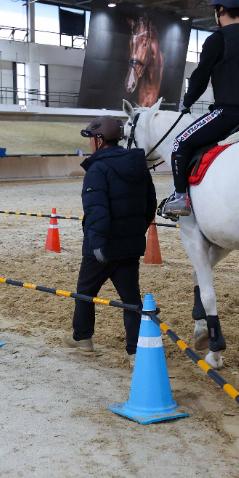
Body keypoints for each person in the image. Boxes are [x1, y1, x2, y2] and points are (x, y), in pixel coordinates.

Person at [161, 0, 239, 218]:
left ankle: (180, 198)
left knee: (180, 143)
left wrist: (187, 101)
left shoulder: (218, 38)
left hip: (232, 114)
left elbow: (201, 75)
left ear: (220, 10)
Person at [63, 116, 157, 365]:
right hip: (130, 245)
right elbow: (150, 205)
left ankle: (83, 338)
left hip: (102, 246)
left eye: (92, 138)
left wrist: (97, 244)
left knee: (85, 291)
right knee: (131, 300)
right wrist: (136, 231)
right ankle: (134, 351)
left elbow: (97, 211)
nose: (91, 143)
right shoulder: (139, 166)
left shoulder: (97, 168)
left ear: (100, 140)